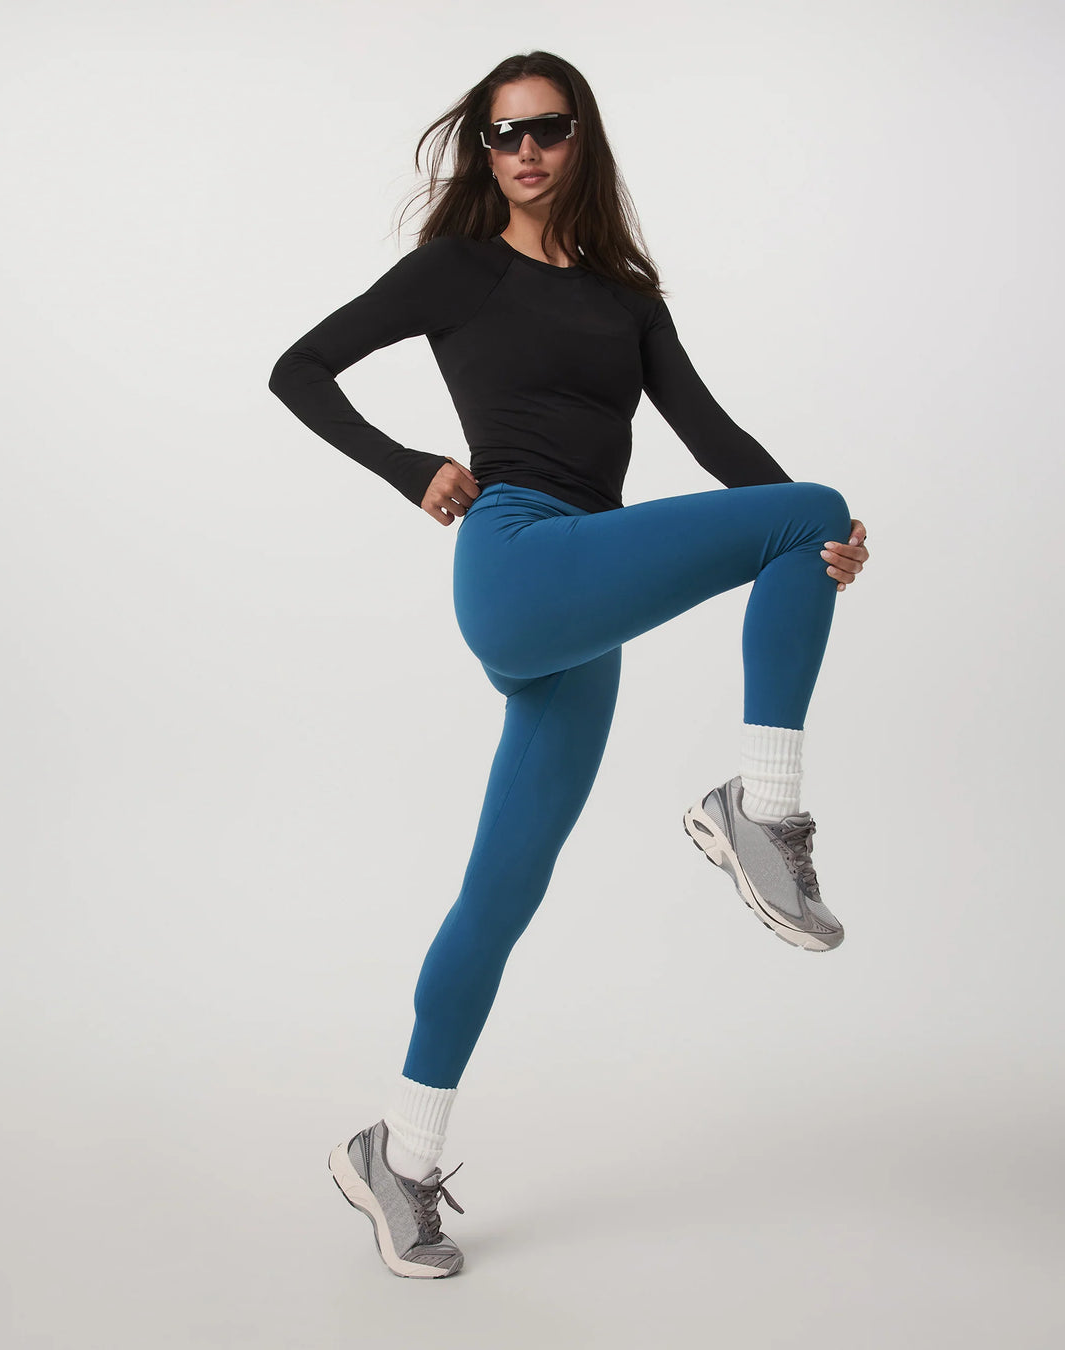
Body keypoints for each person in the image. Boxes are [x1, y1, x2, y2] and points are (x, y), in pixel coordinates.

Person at [268, 50, 869, 1280]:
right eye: (501, 134)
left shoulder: (628, 298)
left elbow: (712, 438)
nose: (525, 150)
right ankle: (759, 810)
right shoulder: (455, 270)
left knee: (501, 897)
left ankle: (401, 1154)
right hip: (518, 560)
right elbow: (299, 370)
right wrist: (411, 467)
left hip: (580, 603)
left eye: (546, 129)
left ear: (581, 139)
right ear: (481, 151)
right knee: (811, 508)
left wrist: (816, 547)